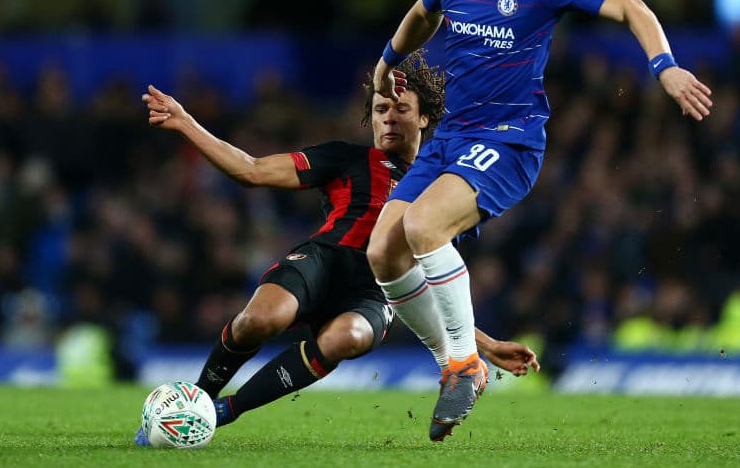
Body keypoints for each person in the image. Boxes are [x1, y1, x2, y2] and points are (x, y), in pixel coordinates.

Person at [366, 0, 714, 441]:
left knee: (424, 229)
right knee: (384, 253)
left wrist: (664, 66)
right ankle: (463, 360)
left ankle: (461, 365)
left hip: (509, 141)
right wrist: (387, 60)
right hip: (450, 136)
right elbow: (424, 13)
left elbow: (627, 2)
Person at [135, 53, 539, 444]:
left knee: (348, 336)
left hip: (375, 294)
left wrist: (482, 345)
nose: (389, 118)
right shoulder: (347, 158)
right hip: (324, 260)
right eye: (380, 109)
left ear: (425, 117)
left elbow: (435, 289)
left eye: (400, 108)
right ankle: (195, 400)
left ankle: (224, 411)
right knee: (258, 320)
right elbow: (251, 170)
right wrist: (186, 123)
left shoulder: (444, 192)